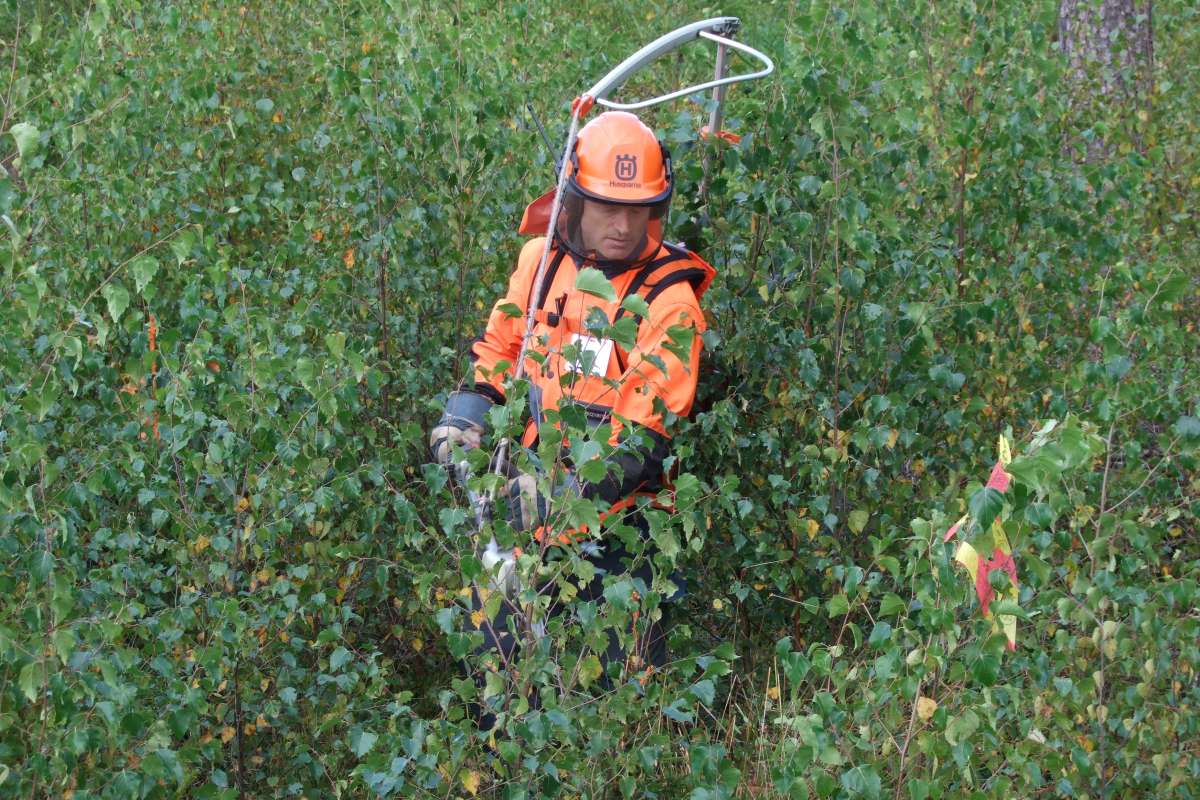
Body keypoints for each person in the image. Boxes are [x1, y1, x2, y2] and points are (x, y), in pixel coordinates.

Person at [430, 110, 715, 706]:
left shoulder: (672, 304)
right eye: (607, 207)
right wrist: (467, 419)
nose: (621, 224)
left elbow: (640, 443)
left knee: (610, 707)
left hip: (622, 536)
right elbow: (501, 351)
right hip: (523, 518)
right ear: (574, 200)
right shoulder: (541, 265)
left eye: (636, 209)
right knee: (502, 690)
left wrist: (555, 495)